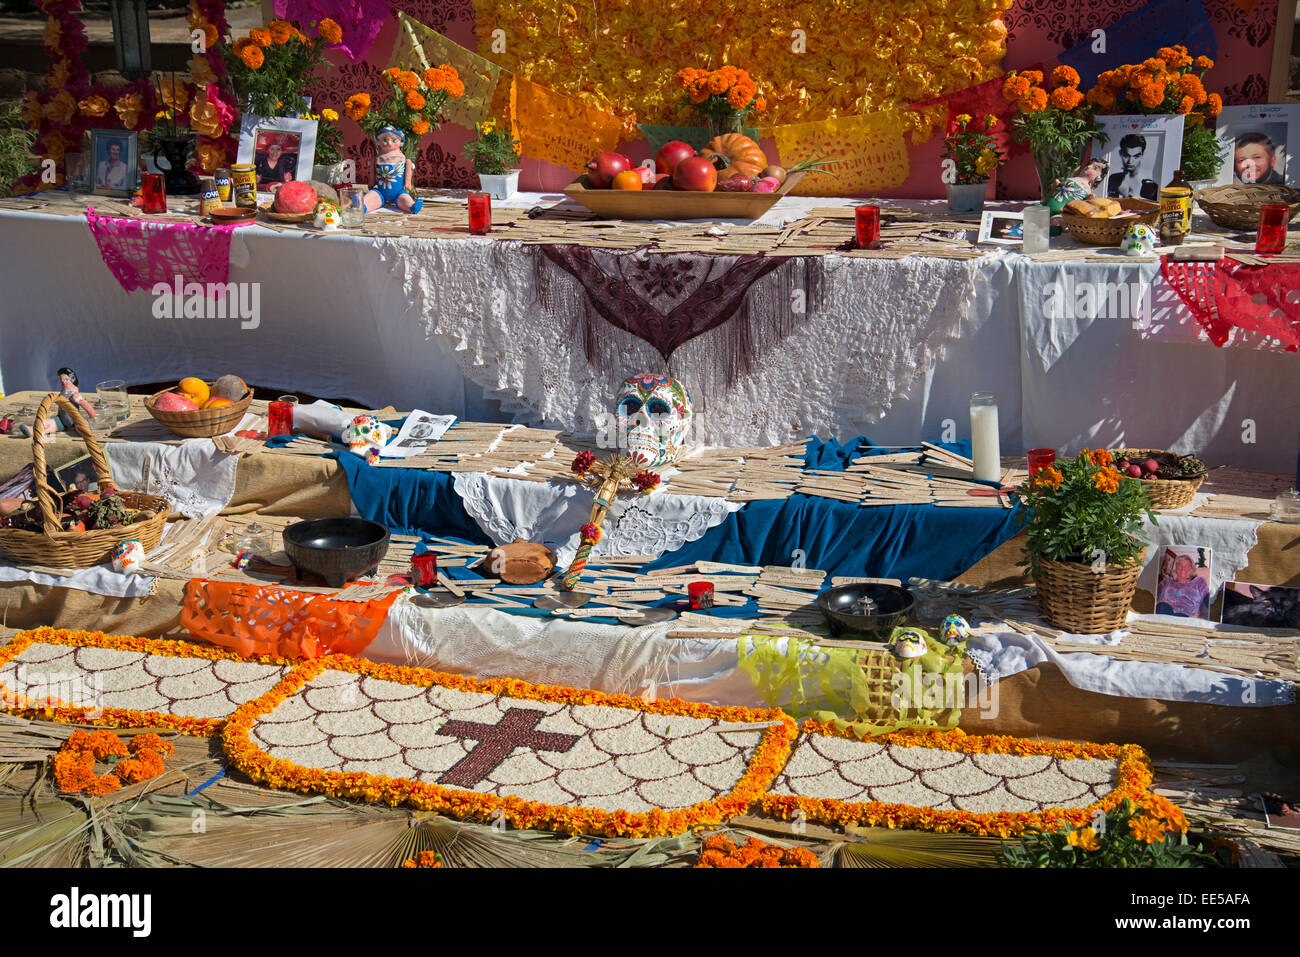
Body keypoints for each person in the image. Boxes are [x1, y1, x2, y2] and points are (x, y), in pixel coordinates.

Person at [364, 125, 422, 214]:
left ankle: (411, 206)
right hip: (380, 192)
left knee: (404, 198)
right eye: (384, 140)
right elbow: (372, 172)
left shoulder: (403, 158)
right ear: (379, 141)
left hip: (398, 193)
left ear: (401, 142)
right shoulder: (377, 158)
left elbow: (408, 170)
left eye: (394, 140)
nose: (389, 143)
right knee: (371, 196)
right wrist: (371, 182)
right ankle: (363, 206)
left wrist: (407, 183)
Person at [1107, 134, 1159, 201]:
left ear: (1142, 155)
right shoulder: (1113, 179)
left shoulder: (1150, 186)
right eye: (1126, 155)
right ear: (1120, 153)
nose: (1130, 161)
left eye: (1136, 156)